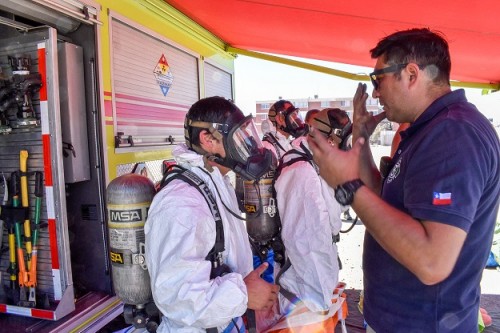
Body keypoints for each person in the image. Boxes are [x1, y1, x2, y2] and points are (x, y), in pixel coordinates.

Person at [307, 28, 500, 332]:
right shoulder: (428, 130)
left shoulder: (452, 134)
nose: (375, 93)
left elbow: (431, 262)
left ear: (411, 74)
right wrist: (360, 136)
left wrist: (347, 187)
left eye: (379, 79)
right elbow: (384, 203)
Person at [145, 96, 280, 332]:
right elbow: (177, 297)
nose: (246, 147)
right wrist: (243, 294)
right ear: (207, 140)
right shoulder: (181, 202)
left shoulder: (214, 182)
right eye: (237, 138)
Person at [261, 107, 352, 332]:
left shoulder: (313, 161)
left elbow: (331, 209)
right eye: (343, 143)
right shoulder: (301, 172)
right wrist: (319, 299)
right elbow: (307, 244)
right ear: (330, 140)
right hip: (304, 289)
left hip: (314, 277)